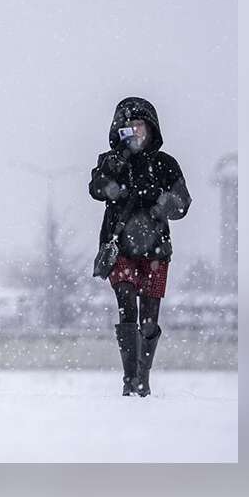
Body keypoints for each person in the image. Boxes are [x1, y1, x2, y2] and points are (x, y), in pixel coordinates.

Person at [89, 97, 191, 397]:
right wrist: (115, 177)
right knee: (126, 305)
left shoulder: (166, 164)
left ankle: (143, 377)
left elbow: (183, 202)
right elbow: (95, 188)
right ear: (119, 129)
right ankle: (129, 378)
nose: (135, 131)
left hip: (155, 249)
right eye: (129, 126)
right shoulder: (110, 160)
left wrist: (163, 204)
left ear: (151, 128)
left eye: (140, 125)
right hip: (120, 246)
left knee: (149, 316)